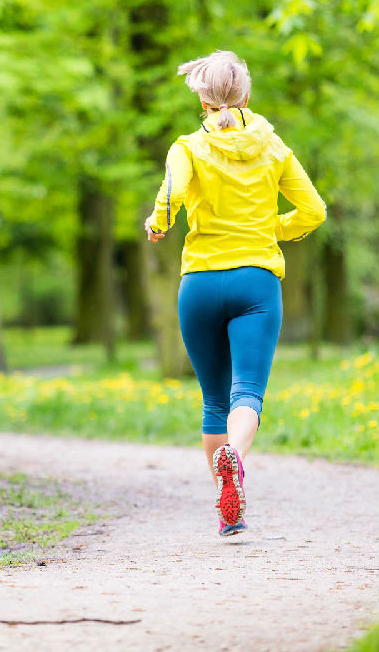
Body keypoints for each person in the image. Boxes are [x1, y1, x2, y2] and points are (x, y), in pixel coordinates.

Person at [144, 50, 326, 537]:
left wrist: (158, 224)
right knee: (248, 392)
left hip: (199, 283)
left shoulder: (186, 147)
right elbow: (313, 211)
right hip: (256, 282)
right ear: (245, 95)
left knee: (212, 401)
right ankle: (236, 461)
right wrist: (270, 228)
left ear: (202, 99)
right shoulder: (273, 146)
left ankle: (231, 513)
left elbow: (172, 195)